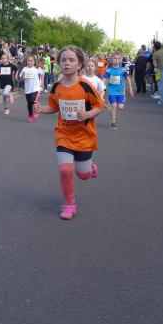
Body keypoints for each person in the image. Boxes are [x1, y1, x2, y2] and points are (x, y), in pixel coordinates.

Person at [35, 45, 105, 220]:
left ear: (79, 64)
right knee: (66, 169)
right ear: (58, 63)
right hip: (64, 134)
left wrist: (87, 114)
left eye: (71, 60)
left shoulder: (85, 85)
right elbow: (53, 106)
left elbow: (99, 106)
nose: (67, 63)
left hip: (84, 136)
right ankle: (69, 204)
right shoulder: (57, 87)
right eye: (63, 60)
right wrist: (42, 109)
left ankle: (90, 167)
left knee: (83, 175)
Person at [103, 52, 133, 129]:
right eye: (115, 58)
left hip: (120, 92)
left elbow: (128, 79)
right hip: (111, 92)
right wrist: (101, 87)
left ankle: (105, 105)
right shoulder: (109, 70)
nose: (116, 60)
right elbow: (104, 79)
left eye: (118, 58)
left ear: (120, 60)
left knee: (120, 107)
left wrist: (130, 89)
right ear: (112, 59)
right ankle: (113, 122)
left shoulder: (122, 70)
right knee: (114, 106)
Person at [20, 55, 42, 122]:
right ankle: (30, 114)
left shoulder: (37, 68)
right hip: (28, 89)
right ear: (26, 62)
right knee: (29, 103)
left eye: (31, 61)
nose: (29, 62)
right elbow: (21, 79)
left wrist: (42, 84)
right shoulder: (24, 69)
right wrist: (23, 76)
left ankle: (36, 110)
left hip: (35, 88)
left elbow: (42, 74)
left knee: (33, 100)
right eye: (28, 61)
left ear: (34, 62)